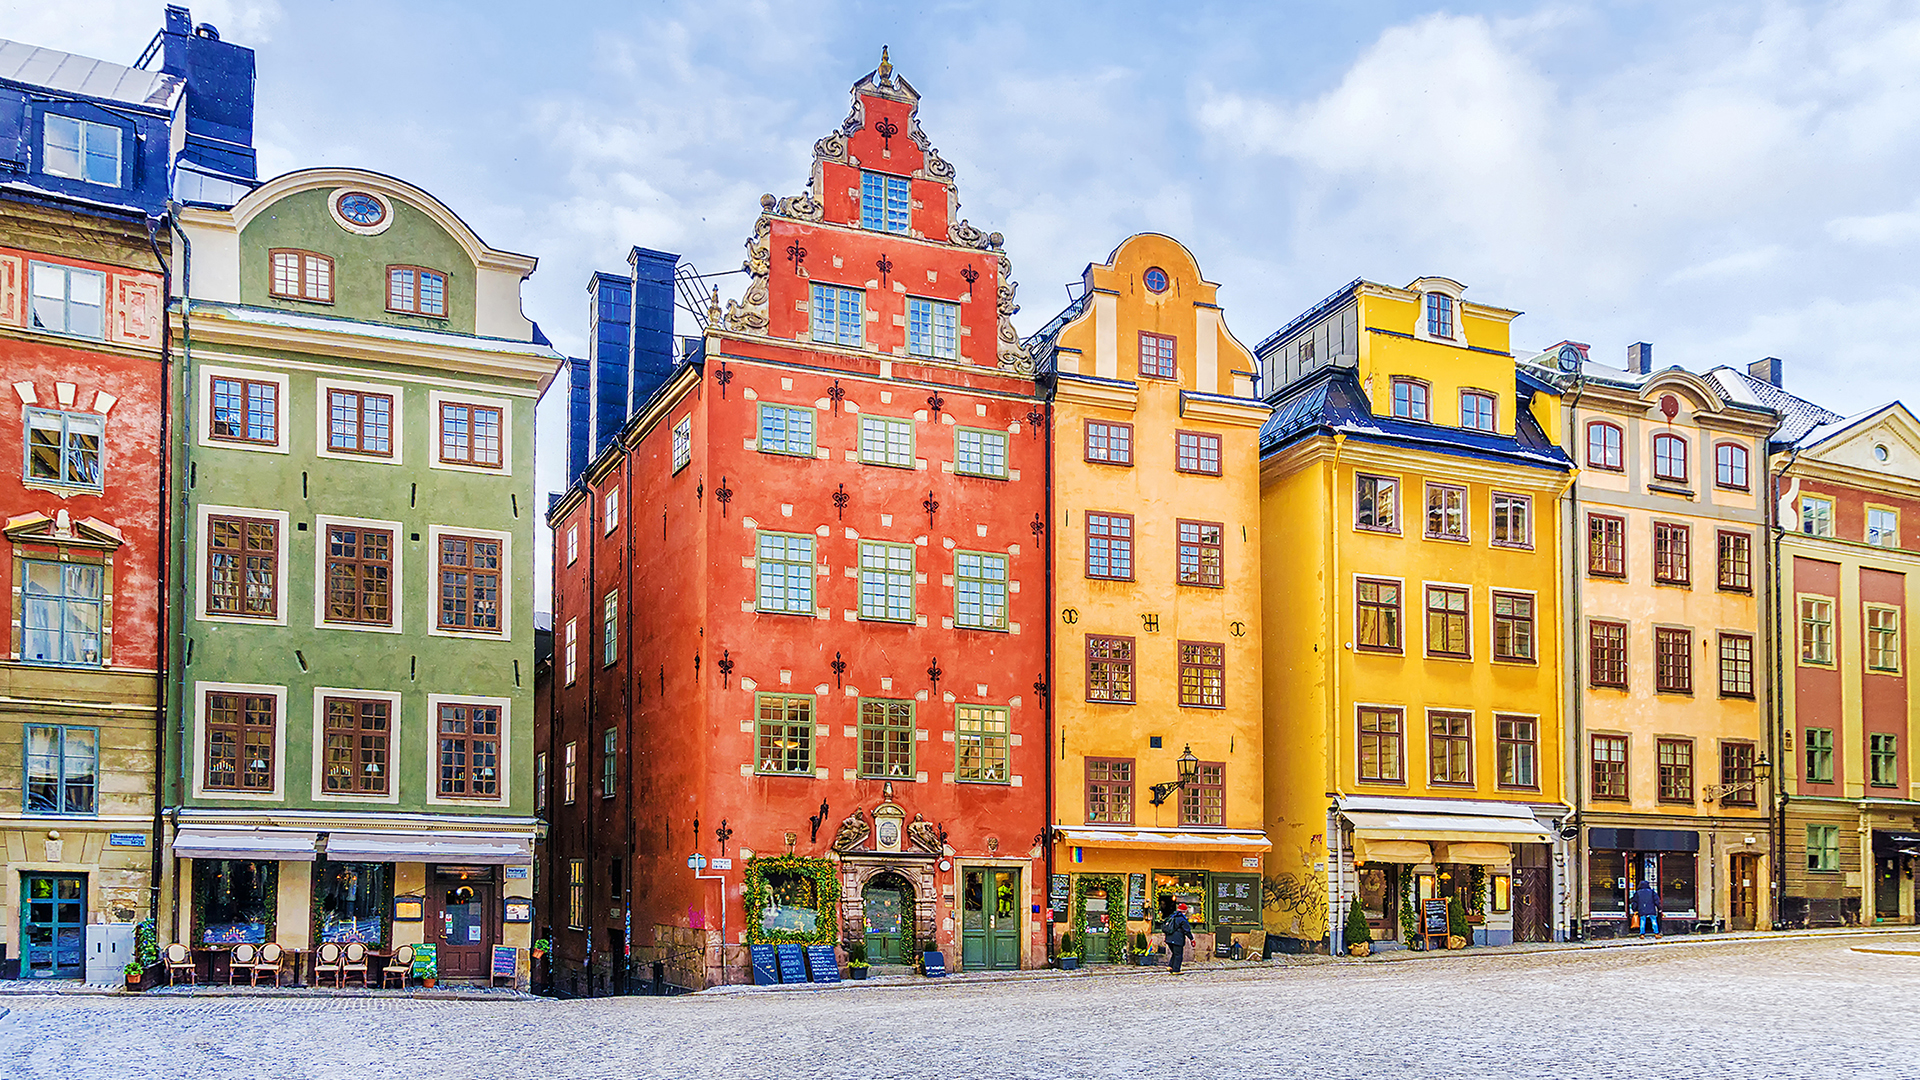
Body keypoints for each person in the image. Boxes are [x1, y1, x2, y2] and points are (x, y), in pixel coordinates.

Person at [1166, 903, 1194, 973]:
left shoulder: (1171, 917)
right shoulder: (1182, 919)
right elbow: (1187, 930)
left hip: (1169, 939)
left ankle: (1170, 966)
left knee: (1175, 953)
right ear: (1185, 911)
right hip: (1177, 939)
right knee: (1178, 955)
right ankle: (1176, 970)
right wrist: (1192, 939)